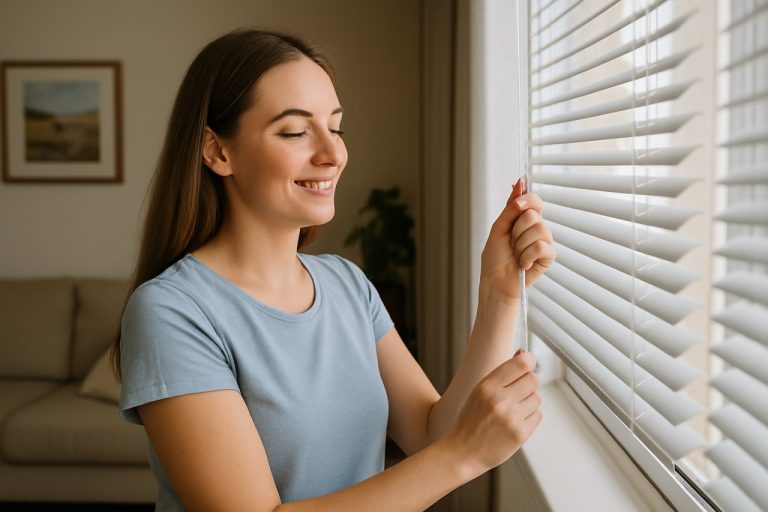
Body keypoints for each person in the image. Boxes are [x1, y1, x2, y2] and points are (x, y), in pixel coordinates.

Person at [111, 27, 555, 511]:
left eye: (336, 127)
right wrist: (462, 456)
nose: (333, 154)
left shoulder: (347, 284)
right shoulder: (172, 311)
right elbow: (450, 451)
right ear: (218, 151)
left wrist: (499, 292)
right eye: (295, 131)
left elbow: (432, 434)